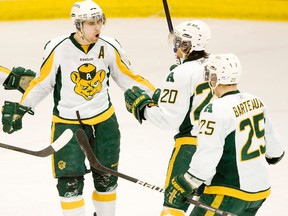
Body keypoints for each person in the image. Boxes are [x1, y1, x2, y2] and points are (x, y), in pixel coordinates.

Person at [1, 0, 156, 216]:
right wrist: (22, 108)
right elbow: (43, 82)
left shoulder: (109, 46)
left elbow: (128, 78)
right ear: (78, 25)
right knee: (69, 182)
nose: (97, 28)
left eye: (99, 22)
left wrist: (158, 96)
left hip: (104, 122)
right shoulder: (58, 47)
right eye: (91, 23)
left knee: (107, 178)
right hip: (67, 124)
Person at [164, 53, 285, 216]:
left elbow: (209, 154)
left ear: (215, 77)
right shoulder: (256, 101)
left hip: (229, 192)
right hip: (259, 192)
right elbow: (276, 153)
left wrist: (187, 182)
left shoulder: (215, 109)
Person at [124, 20, 215, 215]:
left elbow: (168, 119)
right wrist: (163, 96)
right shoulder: (218, 64)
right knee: (208, 207)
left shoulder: (181, 73)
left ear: (187, 45)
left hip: (191, 147)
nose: (175, 47)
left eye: (179, 43)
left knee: (173, 208)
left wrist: (143, 107)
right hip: (218, 145)